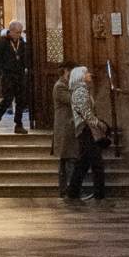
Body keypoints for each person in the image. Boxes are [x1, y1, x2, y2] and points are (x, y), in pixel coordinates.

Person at [66, 65, 107, 203]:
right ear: (80, 76)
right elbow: (87, 113)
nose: (89, 74)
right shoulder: (80, 92)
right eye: (86, 72)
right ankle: (99, 194)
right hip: (86, 130)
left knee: (83, 163)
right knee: (96, 163)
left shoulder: (82, 90)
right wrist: (99, 124)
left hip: (85, 129)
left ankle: (73, 191)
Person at [0, 20, 31, 133]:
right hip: (8, 75)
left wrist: (26, 67)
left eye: (20, 32)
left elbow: (24, 57)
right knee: (7, 100)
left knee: (21, 100)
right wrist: (0, 71)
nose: (19, 34)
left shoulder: (21, 42)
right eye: (17, 32)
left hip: (20, 75)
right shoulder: (2, 42)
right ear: (11, 31)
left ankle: (18, 124)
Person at [50, 61, 76, 196]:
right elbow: (74, 100)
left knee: (68, 159)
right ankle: (68, 189)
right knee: (67, 159)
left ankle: (68, 189)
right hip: (65, 128)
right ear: (66, 71)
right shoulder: (60, 86)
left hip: (70, 127)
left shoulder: (68, 85)